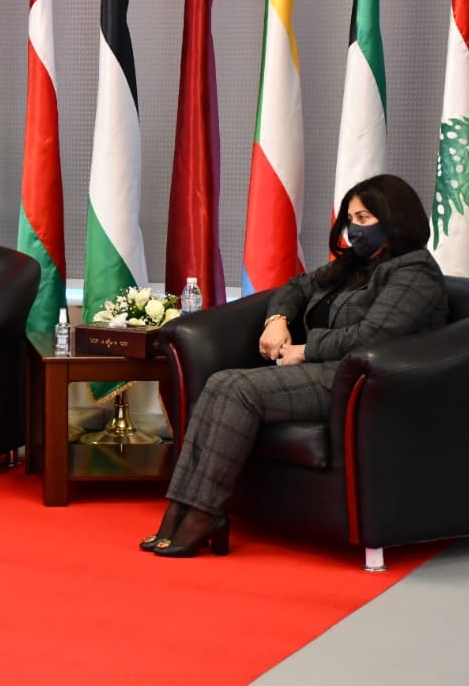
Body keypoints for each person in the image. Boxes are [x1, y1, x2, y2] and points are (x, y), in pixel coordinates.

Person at [143, 174, 447, 556]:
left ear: (395, 218)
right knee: (221, 382)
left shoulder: (413, 271)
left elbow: (374, 334)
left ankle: (204, 512)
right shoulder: (353, 264)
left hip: (356, 381)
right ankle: (181, 507)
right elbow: (296, 287)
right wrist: (278, 320)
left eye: (365, 218)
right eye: (351, 218)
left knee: (238, 388)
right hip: (323, 373)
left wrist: (305, 350)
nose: (354, 228)